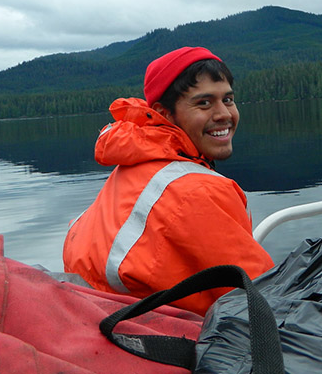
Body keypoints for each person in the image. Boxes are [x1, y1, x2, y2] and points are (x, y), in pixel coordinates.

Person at [63, 46, 274, 315]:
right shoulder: (198, 191)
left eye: (228, 100)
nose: (224, 114)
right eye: (204, 103)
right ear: (165, 113)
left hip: (111, 321)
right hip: (172, 341)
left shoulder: (133, 166)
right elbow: (264, 298)